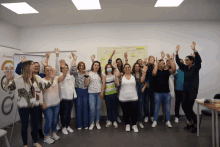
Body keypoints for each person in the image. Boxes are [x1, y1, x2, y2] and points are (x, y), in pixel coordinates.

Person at [4, 60, 53, 147]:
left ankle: (35, 141)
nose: (34, 65)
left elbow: (46, 85)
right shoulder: (18, 79)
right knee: (24, 125)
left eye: (34, 64)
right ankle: (25, 144)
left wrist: (51, 77)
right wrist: (7, 79)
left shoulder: (37, 78)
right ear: (26, 66)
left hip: (35, 104)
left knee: (35, 124)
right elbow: (8, 88)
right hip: (23, 105)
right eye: (32, 64)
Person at [14, 53, 50, 138]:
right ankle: (34, 132)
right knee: (31, 118)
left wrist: (46, 63)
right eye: (34, 65)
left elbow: (46, 80)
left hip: (38, 99)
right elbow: (18, 71)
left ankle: (39, 130)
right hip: (28, 100)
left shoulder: (40, 76)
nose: (36, 67)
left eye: (37, 66)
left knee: (39, 117)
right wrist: (21, 63)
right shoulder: (25, 75)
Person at [115, 52, 147, 133]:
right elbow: (117, 84)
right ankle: (127, 124)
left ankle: (134, 125)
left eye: (128, 67)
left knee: (134, 113)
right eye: (125, 67)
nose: (127, 68)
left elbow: (141, 81)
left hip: (133, 98)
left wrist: (144, 72)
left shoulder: (134, 76)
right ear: (124, 69)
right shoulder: (121, 77)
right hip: (123, 98)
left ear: (130, 68)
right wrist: (116, 76)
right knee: (125, 113)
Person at [175, 42, 202, 133]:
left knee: (189, 108)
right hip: (185, 91)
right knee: (184, 106)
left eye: (187, 60)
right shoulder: (185, 68)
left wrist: (195, 50)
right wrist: (176, 53)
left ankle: (195, 124)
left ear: (191, 60)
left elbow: (199, 61)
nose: (185, 61)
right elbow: (179, 62)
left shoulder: (196, 68)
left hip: (192, 91)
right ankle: (190, 123)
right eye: (185, 60)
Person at [42, 58, 67, 144]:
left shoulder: (56, 78)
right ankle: (46, 136)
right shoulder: (42, 80)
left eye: (50, 70)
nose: (49, 72)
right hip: (47, 104)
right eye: (47, 70)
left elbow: (64, 75)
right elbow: (41, 93)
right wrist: (43, 103)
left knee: (55, 120)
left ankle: (54, 134)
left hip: (56, 103)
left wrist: (63, 67)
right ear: (44, 72)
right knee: (48, 120)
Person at [54, 49, 77, 135]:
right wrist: (57, 56)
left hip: (71, 97)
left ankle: (67, 126)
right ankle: (63, 127)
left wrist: (74, 59)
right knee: (63, 114)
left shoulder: (70, 75)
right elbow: (57, 67)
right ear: (61, 69)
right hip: (63, 97)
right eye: (64, 68)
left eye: (66, 68)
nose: (66, 69)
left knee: (69, 114)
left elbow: (73, 68)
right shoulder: (59, 75)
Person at [71, 53, 95, 130]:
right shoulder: (76, 73)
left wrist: (93, 60)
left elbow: (93, 68)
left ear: (84, 66)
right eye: (80, 65)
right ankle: (79, 125)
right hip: (78, 90)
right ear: (78, 67)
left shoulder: (86, 72)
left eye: (82, 65)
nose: (81, 67)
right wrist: (74, 59)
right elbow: (71, 69)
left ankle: (85, 124)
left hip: (85, 91)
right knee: (78, 107)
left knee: (85, 107)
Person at [151, 53, 176, 128]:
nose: (164, 64)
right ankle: (155, 121)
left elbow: (174, 69)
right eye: (163, 63)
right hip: (157, 93)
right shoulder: (156, 71)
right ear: (159, 64)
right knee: (156, 107)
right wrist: (157, 63)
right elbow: (154, 73)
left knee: (167, 108)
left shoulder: (166, 71)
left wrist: (170, 60)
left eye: (164, 63)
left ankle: (168, 121)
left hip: (166, 93)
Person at [85, 60, 105, 130]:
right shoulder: (89, 73)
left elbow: (103, 83)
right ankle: (92, 123)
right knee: (92, 108)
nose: (96, 66)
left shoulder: (101, 73)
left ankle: (97, 122)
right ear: (92, 66)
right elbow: (86, 84)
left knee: (98, 108)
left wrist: (102, 92)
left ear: (99, 66)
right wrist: (86, 76)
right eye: (95, 65)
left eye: (97, 65)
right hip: (91, 93)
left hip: (99, 93)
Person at [103, 62, 120, 128]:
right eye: (107, 67)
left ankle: (115, 121)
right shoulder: (104, 76)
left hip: (113, 94)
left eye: (110, 67)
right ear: (106, 69)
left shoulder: (114, 75)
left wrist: (116, 68)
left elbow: (117, 84)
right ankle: (109, 120)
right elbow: (103, 85)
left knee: (114, 108)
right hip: (107, 95)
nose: (109, 68)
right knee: (108, 108)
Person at [161, 52, 177, 123]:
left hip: (169, 90)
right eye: (167, 62)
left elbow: (174, 68)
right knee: (163, 105)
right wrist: (161, 57)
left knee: (167, 105)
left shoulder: (171, 71)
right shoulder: (163, 70)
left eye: (169, 62)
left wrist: (172, 59)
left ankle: (167, 118)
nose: (168, 63)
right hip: (162, 89)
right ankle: (164, 117)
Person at [132, 63, 147, 128]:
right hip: (133, 91)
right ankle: (134, 122)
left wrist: (144, 87)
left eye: (138, 66)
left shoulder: (142, 74)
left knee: (140, 107)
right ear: (134, 67)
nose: (137, 67)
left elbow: (145, 82)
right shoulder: (132, 75)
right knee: (134, 107)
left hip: (140, 91)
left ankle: (140, 122)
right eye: (136, 66)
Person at [144, 55, 155, 123]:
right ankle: (146, 116)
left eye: (153, 59)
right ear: (148, 60)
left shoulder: (155, 67)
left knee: (152, 103)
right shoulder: (145, 66)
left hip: (153, 87)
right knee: (146, 103)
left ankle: (152, 116)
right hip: (146, 87)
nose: (152, 60)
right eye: (150, 59)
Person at [174, 59, 185, 123]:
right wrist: (175, 88)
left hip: (185, 91)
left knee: (185, 104)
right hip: (178, 90)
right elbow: (174, 80)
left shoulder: (186, 71)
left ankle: (187, 117)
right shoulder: (176, 71)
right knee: (177, 104)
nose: (181, 64)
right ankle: (176, 117)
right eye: (180, 63)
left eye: (182, 62)